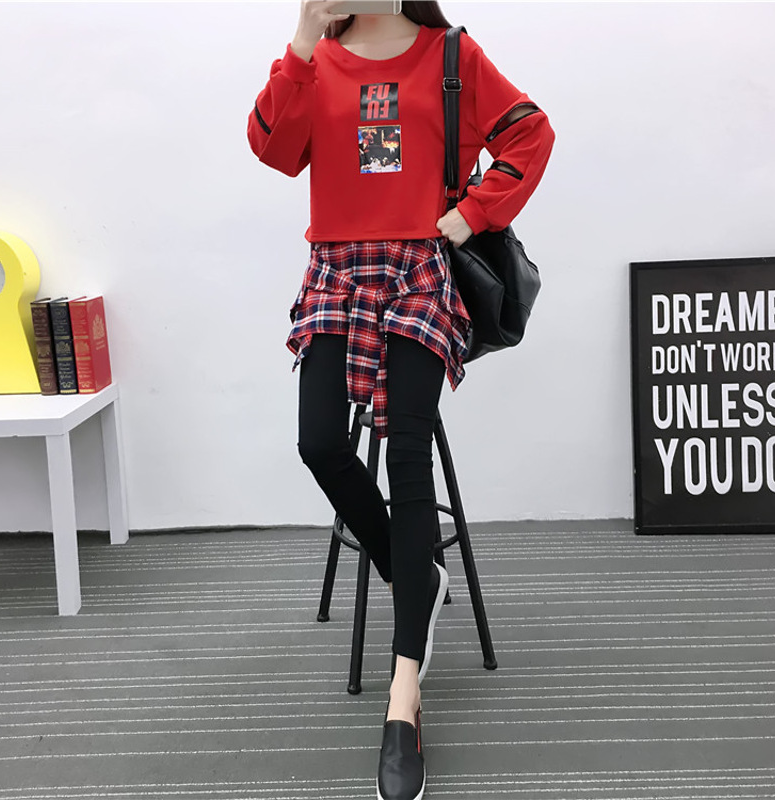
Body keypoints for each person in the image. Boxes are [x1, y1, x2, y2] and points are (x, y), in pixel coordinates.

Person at [247, 2, 555, 798]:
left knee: (408, 450)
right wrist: (302, 40)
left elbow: (530, 132)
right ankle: (414, 571)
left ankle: (404, 695)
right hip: (335, 269)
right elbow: (273, 150)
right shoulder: (315, 60)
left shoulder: (450, 54)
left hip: (420, 269)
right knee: (320, 442)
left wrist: (470, 215)